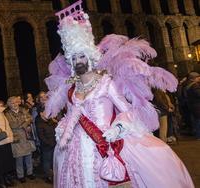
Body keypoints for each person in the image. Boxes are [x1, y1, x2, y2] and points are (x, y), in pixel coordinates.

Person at [44, 2, 194, 188]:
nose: (78, 61)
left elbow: (126, 110)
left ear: (90, 57)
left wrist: (117, 129)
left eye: (81, 56)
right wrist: (63, 127)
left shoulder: (106, 83)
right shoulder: (71, 89)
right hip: (76, 151)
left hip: (107, 142)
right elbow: (70, 116)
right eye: (74, 58)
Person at [4, 96, 36, 183]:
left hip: (26, 136)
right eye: (12, 103)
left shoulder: (23, 110)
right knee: (19, 158)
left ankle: (30, 173)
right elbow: (12, 124)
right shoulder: (7, 114)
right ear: (9, 105)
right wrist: (25, 122)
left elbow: (31, 118)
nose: (15, 104)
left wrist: (24, 123)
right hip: (17, 137)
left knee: (29, 156)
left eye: (16, 102)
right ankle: (20, 175)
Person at [35, 93, 56, 183]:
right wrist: (49, 143)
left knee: (52, 160)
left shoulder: (50, 120)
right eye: (46, 112)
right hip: (46, 145)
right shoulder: (39, 121)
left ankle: (52, 175)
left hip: (53, 143)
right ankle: (47, 176)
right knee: (46, 161)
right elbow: (41, 136)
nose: (48, 113)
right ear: (41, 113)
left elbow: (54, 130)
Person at [186, 72, 200, 139]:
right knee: (198, 121)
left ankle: (197, 134)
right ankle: (198, 135)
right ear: (193, 78)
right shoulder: (195, 85)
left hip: (193, 105)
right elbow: (198, 94)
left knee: (196, 121)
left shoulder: (189, 85)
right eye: (197, 77)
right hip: (197, 106)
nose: (199, 78)